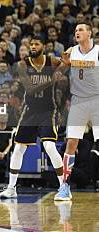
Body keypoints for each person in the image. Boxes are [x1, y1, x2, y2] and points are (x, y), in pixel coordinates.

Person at [0, 36, 65, 199]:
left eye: (37, 43)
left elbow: (67, 62)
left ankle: (64, 186)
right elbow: (30, 90)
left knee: (49, 146)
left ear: (43, 46)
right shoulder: (23, 64)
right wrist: (52, 79)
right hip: (29, 111)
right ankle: (11, 188)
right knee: (18, 148)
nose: (34, 46)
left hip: (48, 110)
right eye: (31, 44)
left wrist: (71, 56)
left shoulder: (52, 61)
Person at [55, 23, 99, 201]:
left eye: (81, 29)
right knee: (71, 143)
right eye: (75, 31)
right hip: (78, 100)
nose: (77, 32)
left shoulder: (98, 50)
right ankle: (65, 186)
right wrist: (64, 65)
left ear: (90, 33)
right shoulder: (71, 51)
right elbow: (59, 72)